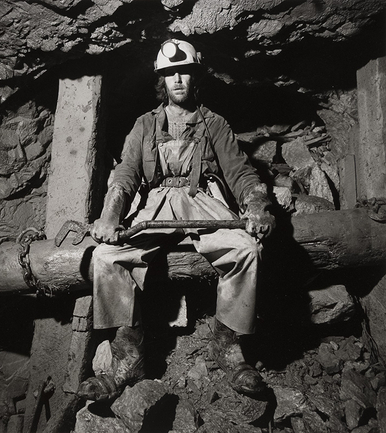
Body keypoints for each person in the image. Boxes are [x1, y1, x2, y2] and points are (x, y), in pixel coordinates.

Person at [78, 39, 275, 403]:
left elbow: (241, 174)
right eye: (170, 74)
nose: (178, 80)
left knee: (247, 250)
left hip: (202, 203)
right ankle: (127, 361)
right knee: (106, 259)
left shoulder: (214, 124)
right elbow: (125, 176)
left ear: (195, 76)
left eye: (184, 71)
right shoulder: (144, 124)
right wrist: (109, 216)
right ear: (161, 81)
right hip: (154, 208)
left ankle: (229, 350)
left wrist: (257, 205)